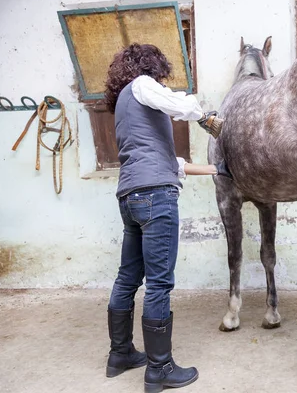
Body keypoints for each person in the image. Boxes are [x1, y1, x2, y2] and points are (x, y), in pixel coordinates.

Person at [103, 42, 231, 393]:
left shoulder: (126, 106)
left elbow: (168, 163)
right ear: (151, 67)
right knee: (159, 283)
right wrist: (204, 116)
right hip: (156, 197)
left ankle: (120, 355)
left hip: (131, 197)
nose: (162, 79)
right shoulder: (143, 85)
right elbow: (183, 105)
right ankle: (159, 369)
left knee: (128, 278)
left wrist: (216, 169)